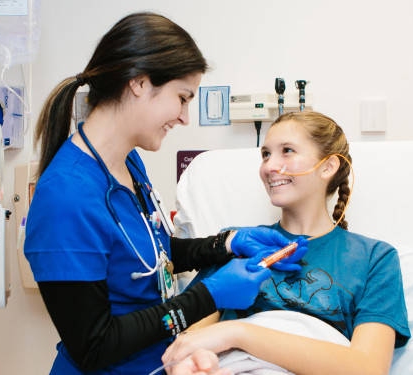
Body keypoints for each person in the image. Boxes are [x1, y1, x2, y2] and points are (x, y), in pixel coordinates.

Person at [23, 12, 301, 375]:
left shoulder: (129, 162)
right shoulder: (66, 198)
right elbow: (95, 345)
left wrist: (226, 243)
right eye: (182, 98)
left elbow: (152, 257)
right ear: (139, 82)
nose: (185, 117)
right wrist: (208, 296)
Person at [162, 111, 411, 374]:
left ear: (328, 166)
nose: (269, 167)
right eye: (266, 154)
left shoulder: (375, 258)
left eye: (287, 151)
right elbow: (187, 341)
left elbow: (367, 368)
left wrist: (239, 332)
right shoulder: (237, 244)